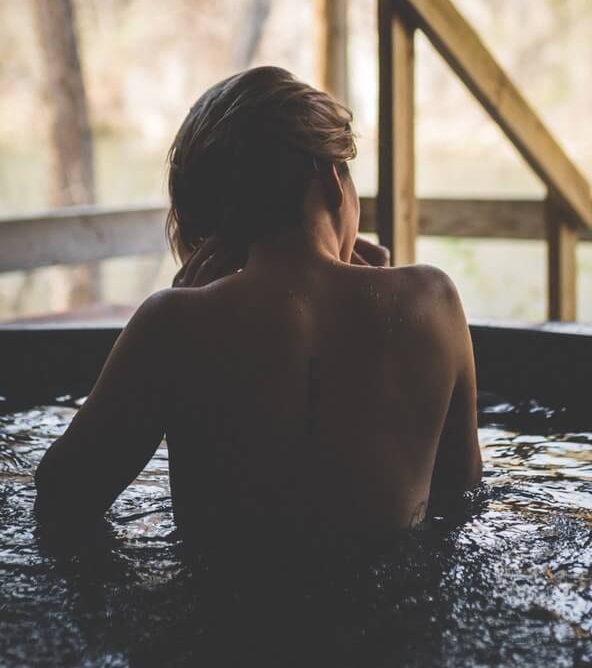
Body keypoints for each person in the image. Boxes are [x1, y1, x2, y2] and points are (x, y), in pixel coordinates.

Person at [34, 66, 481, 545]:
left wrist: (187, 301)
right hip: (390, 613)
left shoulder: (173, 324)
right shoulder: (432, 302)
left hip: (217, 615)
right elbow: (462, 495)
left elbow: (62, 500)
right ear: (334, 181)